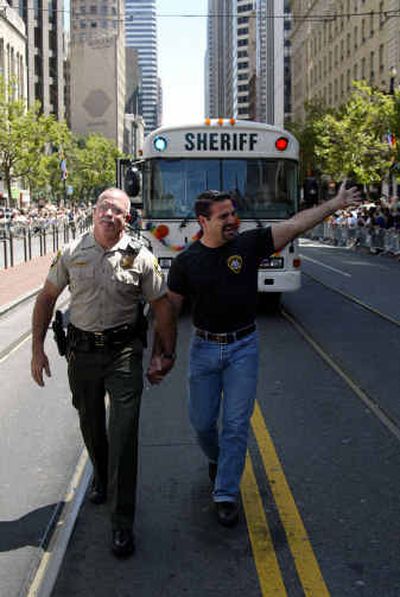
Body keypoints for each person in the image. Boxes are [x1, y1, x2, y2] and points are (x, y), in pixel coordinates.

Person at [164, 182, 362, 528]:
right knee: (202, 423)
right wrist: (160, 354)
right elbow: (168, 309)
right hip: (204, 349)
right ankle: (217, 459)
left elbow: (297, 224)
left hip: (243, 347)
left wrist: (335, 203)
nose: (233, 220)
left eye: (233, 213)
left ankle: (225, 492)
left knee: (237, 424)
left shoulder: (249, 244)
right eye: (224, 216)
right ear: (202, 221)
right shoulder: (186, 262)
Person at [31, 187, 176, 558]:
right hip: (81, 354)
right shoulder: (71, 252)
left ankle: (121, 522)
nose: (108, 214)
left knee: (124, 435)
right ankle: (100, 473)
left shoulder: (139, 256)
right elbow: (46, 298)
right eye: (103, 208)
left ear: (126, 219)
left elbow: (161, 306)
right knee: (91, 423)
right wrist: (37, 351)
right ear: (94, 212)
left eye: (117, 211)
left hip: (124, 353)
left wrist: (165, 353)